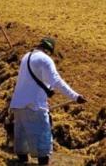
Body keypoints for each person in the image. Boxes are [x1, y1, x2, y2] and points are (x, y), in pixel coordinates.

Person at [10, 37, 87, 165]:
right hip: (34, 106)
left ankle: (21, 162)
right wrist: (75, 96)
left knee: (22, 142)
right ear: (49, 50)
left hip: (18, 105)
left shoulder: (26, 56)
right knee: (43, 142)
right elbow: (56, 81)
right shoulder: (45, 60)